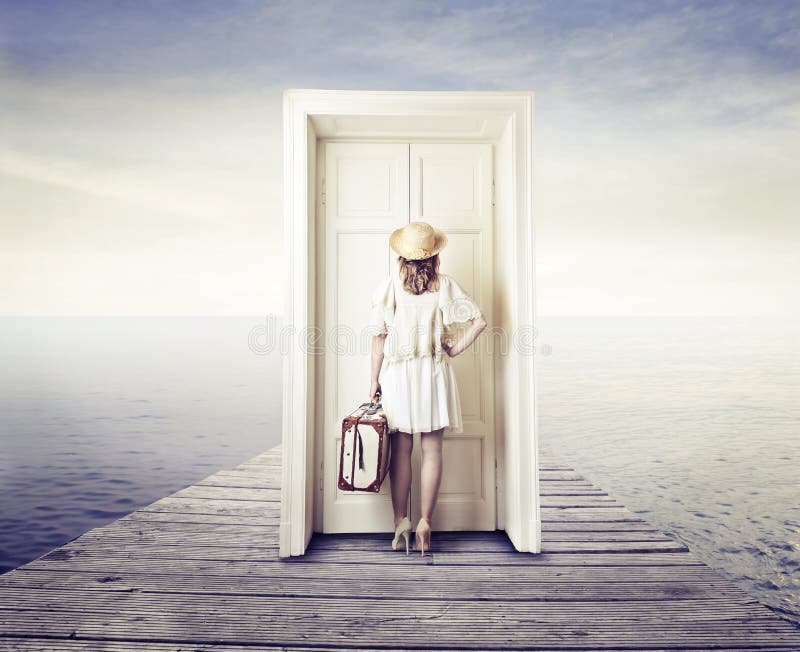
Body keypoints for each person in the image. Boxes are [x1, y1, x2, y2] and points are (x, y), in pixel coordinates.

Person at [367, 221, 487, 556]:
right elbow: (480, 321)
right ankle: (425, 523)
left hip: (398, 376)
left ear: (402, 256)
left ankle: (400, 523)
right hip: (433, 373)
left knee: (400, 451)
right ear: (434, 256)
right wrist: (454, 349)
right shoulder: (445, 286)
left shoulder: (390, 286)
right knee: (433, 451)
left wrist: (373, 381)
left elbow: (378, 338)